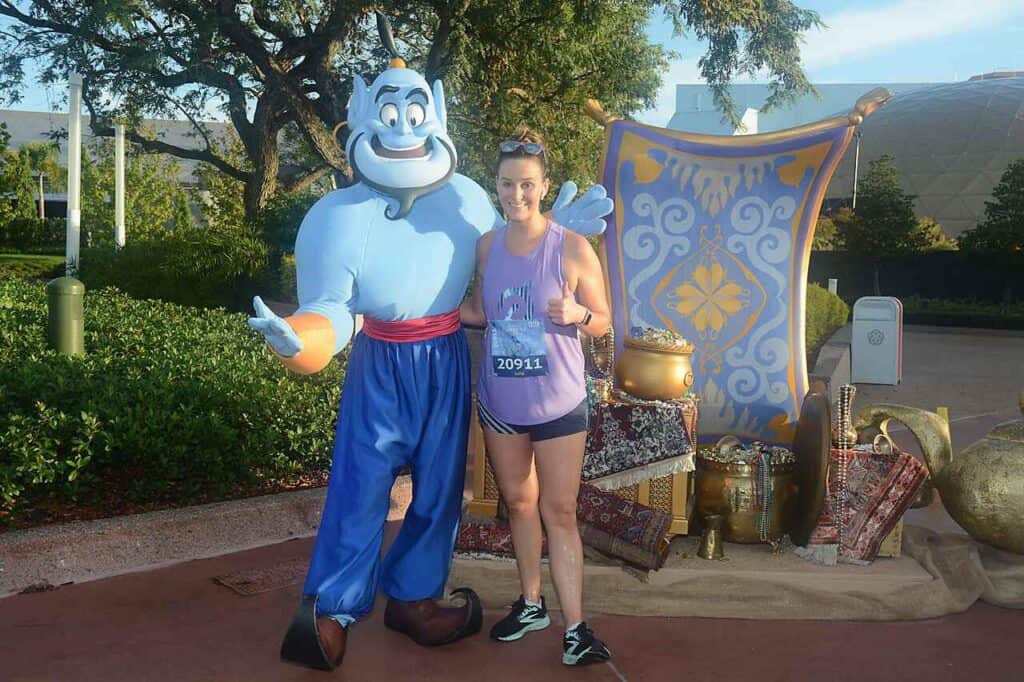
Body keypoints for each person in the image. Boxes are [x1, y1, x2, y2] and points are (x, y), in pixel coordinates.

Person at [247, 17, 613, 672]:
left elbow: (516, 250)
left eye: (415, 109)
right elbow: (329, 310)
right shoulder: (334, 219)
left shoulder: (471, 204)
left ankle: (415, 595)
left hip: (446, 355)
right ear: (361, 120)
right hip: (380, 359)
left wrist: (564, 239)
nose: (403, 124)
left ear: (435, 117)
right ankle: (331, 607)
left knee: (440, 488)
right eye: (389, 110)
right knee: (361, 483)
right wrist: (298, 338)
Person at [460, 126, 613, 666]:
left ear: (543, 185)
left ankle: (577, 629)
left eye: (527, 184)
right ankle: (530, 603)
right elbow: (482, 312)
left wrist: (579, 315)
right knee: (520, 503)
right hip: (501, 402)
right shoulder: (486, 247)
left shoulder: (572, 248)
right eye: (506, 184)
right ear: (495, 186)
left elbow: (605, 321)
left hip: (558, 402)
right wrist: (422, 317)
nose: (516, 195)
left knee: (560, 510)